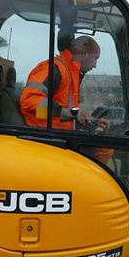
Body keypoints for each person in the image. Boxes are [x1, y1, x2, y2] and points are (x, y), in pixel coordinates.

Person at [20, 35, 112, 163]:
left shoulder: (70, 72)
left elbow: (59, 112)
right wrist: (70, 112)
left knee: (104, 147)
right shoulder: (54, 68)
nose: (95, 65)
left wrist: (85, 118)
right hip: (44, 143)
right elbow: (28, 101)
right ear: (84, 53)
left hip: (59, 140)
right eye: (95, 58)